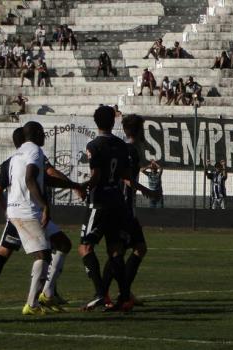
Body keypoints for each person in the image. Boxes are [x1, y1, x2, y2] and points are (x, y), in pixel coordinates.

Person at [0, 127, 81, 313]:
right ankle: (33, 303)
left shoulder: (11, 160)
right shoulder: (34, 152)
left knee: (62, 244)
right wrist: (46, 204)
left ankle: (47, 294)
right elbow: (44, 175)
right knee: (43, 254)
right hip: (27, 213)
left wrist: (6, 210)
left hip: (19, 213)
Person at [79, 106, 147, 312]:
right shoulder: (120, 145)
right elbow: (126, 176)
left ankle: (101, 293)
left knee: (84, 247)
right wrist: (147, 191)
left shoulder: (94, 145)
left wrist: (83, 186)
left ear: (96, 122)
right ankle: (124, 296)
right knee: (116, 250)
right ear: (113, 122)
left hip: (99, 202)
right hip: (117, 202)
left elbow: (97, 175)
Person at [101, 115, 158, 307]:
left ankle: (120, 292)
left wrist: (146, 167)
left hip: (124, 206)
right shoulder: (131, 150)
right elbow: (126, 178)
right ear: (138, 131)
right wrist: (146, 190)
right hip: (124, 207)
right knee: (122, 251)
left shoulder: (126, 149)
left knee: (134, 248)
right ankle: (106, 293)